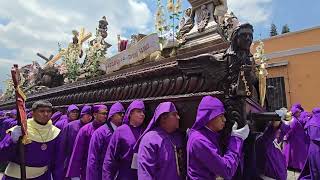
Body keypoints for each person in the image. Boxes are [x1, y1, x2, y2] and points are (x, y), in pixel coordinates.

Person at [187, 96, 250, 179]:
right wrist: (236, 140)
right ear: (209, 116)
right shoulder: (199, 141)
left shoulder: (208, 134)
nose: (224, 120)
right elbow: (226, 170)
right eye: (221, 116)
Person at [0, 100, 63, 179]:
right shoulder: (21, 129)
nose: (46, 114)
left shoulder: (56, 132)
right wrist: (11, 141)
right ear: (33, 113)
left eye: (49, 111)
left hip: (42, 177)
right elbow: (2, 155)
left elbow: (58, 161)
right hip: (15, 177)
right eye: (42, 111)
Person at [137, 102, 186, 180]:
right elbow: (145, 173)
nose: (178, 117)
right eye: (174, 114)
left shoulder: (179, 137)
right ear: (163, 118)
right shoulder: (150, 139)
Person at [103, 100, 145, 180]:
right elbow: (110, 159)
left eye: (143, 112)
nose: (142, 114)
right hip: (124, 175)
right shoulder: (120, 131)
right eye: (139, 111)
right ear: (130, 113)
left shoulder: (145, 131)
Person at [66, 105, 107, 180]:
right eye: (103, 114)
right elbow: (77, 152)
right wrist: (75, 174)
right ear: (95, 115)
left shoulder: (107, 130)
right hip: (87, 169)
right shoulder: (85, 130)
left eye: (106, 114)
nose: (105, 116)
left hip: (103, 170)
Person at [86, 102, 125, 180]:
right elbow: (92, 159)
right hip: (101, 174)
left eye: (123, 113)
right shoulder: (100, 133)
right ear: (112, 115)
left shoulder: (123, 131)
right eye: (119, 113)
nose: (122, 116)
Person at [60, 105, 92, 178]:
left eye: (90, 115)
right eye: (87, 115)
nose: (89, 117)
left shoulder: (90, 127)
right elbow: (63, 144)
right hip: (70, 158)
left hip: (84, 160)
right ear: (82, 115)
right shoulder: (70, 126)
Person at [283, 103, 309, 171]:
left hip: (297, 140)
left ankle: (294, 166)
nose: (300, 113)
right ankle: (297, 166)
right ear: (295, 113)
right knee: (297, 155)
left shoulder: (294, 119)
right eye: (298, 112)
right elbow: (291, 129)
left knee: (294, 154)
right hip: (297, 140)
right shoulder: (294, 120)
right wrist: (287, 137)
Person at [299, 107, 320, 180]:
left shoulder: (310, 121)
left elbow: (306, 134)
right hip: (318, 148)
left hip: (311, 148)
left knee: (314, 168)